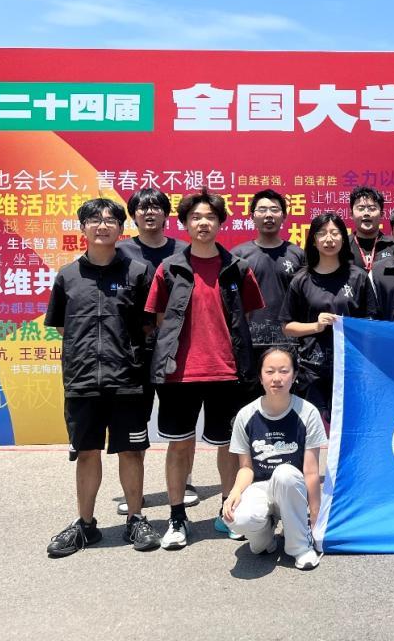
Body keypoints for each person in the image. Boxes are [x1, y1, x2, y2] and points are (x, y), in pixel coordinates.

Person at [146, 188, 265, 550]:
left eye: (210, 217)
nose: (203, 223)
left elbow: (245, 315)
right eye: (195, 217)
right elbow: (162, 319)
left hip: (227, 373)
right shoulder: (169, 268)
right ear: (184, 223)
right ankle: (177, 517)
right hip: (179, 374)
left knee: (229, 448)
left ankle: (228, 513)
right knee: (180, 446)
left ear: (220, 223)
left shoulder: (237, 267)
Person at [45, 198, 160, 556]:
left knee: (131, 452)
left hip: (128, 380)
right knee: (87, 452)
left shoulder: (138, 272)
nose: (102, 225)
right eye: (94, 219)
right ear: (83, 228)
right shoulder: (67, 275)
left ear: (121, 229)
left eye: (110, 220)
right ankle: (85, 525)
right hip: (82, 381)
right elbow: (62, 327)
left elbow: (150, 323)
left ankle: (136, 519)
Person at [114, 187, 197, 515]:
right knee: (135, 423)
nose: (149, 213)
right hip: (134, 352)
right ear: (133, 215)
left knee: (182, 422)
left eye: (156, 207)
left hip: (176, 350)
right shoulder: (120, 252)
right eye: (142, 208)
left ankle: (185, 482)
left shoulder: (184, 250)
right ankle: (136, 492)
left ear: (166, 214)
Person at [223, 347, 327, 571]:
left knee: (285, 473)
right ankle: (266, 532)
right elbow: (246, 468)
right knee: (238, 521)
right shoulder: (245, 415)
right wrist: (235, 492)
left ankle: (300, 546)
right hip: (260, 487)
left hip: (292, 489)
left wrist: (315, 514)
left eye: (284, 371)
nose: (277, 378)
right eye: (270, 372)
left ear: (295, 375)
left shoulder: (308, 412)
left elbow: (311, 471)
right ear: (261, 377)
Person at [281, 212, 378, 420]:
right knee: (312, 426)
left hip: (350, 367)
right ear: (313, 241)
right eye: (322, 233)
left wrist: (350, 325)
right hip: (312, 369)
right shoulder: (301, 279)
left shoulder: (358, 276)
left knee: (347, 425)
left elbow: (372, 322)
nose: (329, 239)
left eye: (335, 233)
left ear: (343, 239)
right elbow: (287, 326)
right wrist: (315, 326)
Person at [231, 188, 306, 353]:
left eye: (274, 209)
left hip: (289, 342)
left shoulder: (298, 254)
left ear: (284, 216)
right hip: (249, 341)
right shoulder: (238, 256)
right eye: (262, 210)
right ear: (252, 216)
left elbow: (304, 299)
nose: (268, 215)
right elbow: (231, 301)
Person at [347, 185, 394, 272]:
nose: (366, 213)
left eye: (372, 208)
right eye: (361, 208)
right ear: (351, 214)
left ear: (382, 214)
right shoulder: (343, 246)